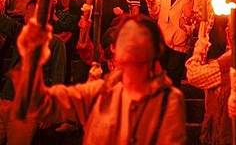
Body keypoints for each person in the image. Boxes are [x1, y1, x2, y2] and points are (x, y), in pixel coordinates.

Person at [14, 14, 186, 144]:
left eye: (138, 35)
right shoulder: (100, 92)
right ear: (114, 49)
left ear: (154, 50)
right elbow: (40, 103)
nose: (129, 40)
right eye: (124, 35)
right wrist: (32, 56)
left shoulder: (168, 100)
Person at [186, 12, 236, 145]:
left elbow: (193, 75)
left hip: (228, 133)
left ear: (229, 34)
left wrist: (198, 50)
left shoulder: (224, 66)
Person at [146, 0, 201, 86]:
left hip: (178, 43)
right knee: (159, 77)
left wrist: (186, 29)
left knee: (173, 79)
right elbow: (154, 14)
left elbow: (195, 17)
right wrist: (152, 4)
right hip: (162, 41)